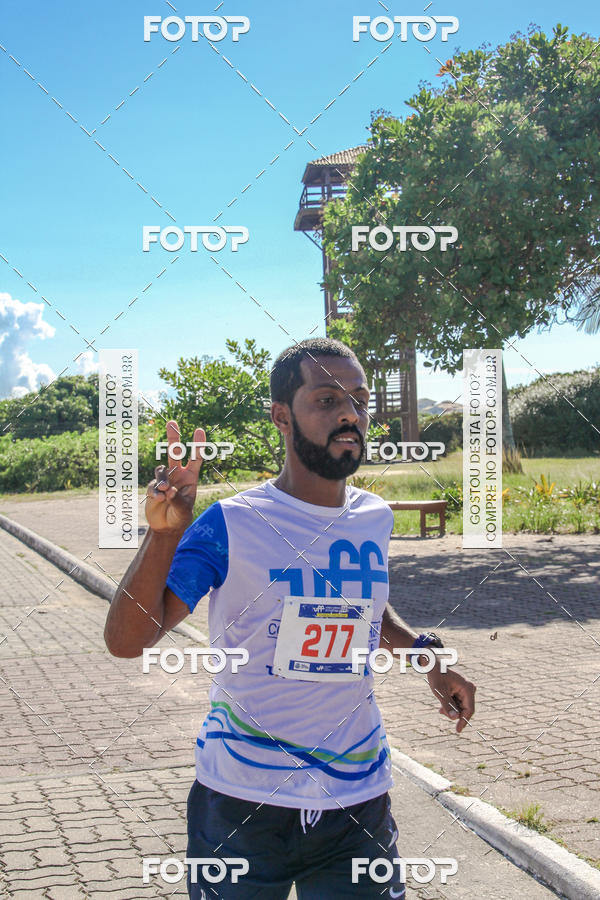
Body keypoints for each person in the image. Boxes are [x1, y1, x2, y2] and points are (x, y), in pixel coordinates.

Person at [105, 337, 476, 898]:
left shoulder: (373, 516)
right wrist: (163, 536)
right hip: (241, 805)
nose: (350, 413)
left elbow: (361, 606)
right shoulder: (232, 523)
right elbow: (127, 640)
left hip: (356, 799)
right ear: (282, 416)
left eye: (359, 400)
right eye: (327, 399)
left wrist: (427, 658)